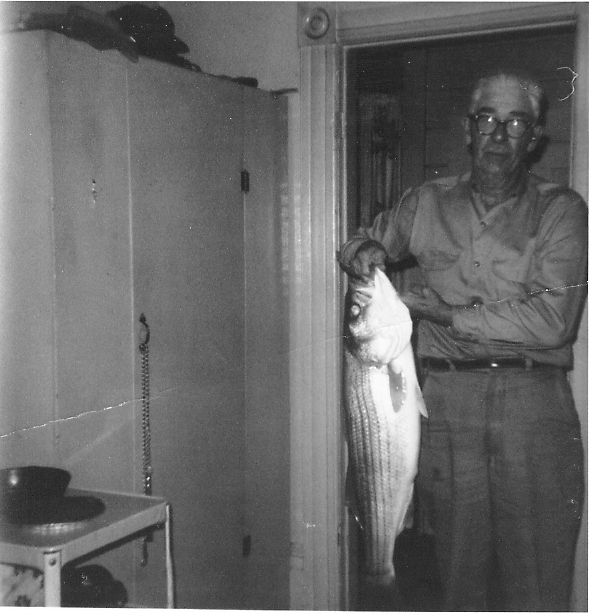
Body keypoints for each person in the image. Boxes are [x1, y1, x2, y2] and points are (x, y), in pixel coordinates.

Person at [339, 72, 587, 611]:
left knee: (538, 581)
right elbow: (360, 242)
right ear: (467, 129)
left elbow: (553, 320)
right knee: (457, 579)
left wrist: (448, 315)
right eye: (487, 120)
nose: (498, 135)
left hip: (533, 402)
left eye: (515, 123)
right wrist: (362, 253)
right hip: (447, 404)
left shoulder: (562, 209)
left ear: (535, 137)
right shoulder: (425, 202)